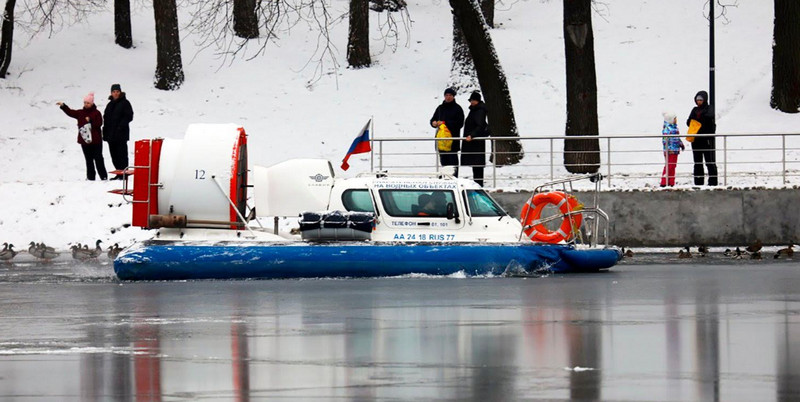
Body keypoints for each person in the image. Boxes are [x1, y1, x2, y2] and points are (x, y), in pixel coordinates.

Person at [57, 92, 108, 181]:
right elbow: (71, 112)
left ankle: (103, 177)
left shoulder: (97, 113)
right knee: (88, 160)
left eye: (88, 103)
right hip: (85, 141)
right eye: (85, 103)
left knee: (98, 159)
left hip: (96, 141)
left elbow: (99, 124)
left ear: (92, 103)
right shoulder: (80, 113)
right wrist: (63, 106)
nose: (86, 104)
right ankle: (90, 177)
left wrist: (90, 120)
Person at [430, 87, 464, 176]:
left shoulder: (458, 109)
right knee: (443, 163)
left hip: (452, 141)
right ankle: (445, 179)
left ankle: (454, 179)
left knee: (453, 163)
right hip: (441, 141)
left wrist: (446, 123)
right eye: (446, 95)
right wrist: (433, 122)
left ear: (453, 96)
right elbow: (433, 119)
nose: (448, 97)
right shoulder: (440, 108)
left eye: (450, 95)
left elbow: (460, 123)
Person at [103, 83, 134, 180]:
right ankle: (118, 173)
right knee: (114, 155)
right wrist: (105, 133)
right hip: (110, 136)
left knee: (122, 155)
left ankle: (124, 174)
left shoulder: (125, 103)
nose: (115, 93)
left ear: (120, 92)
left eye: (117, 92)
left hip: (121, 135)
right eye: (114, 92)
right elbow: (106, 119)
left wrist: (121, 126)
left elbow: (129, 116)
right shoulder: (109, 105)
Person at [686, 90, 718, 186]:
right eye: (697, 100)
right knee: (697, 162)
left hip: (706, 139)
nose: (699, 102)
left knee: (709, 161)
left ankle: (712, 182)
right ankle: (698, 182)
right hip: (696, 139)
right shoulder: (694, 109)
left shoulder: (709, 108)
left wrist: (697, 121)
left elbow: (708, 118)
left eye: (701, 100)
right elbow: (689, 122)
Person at [462, 91, 489, 186]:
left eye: (474, 100)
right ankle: (478, 183)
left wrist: (472, 135)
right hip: (475, 141)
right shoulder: (475, 110)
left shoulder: (479, 111)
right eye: (471, 100)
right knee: (476, 164)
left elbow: (479, 125)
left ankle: (478, 184)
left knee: (477, 164)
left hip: (476, 142)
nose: (472, 102)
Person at [660, 112, 684, 187]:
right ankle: (664, 181)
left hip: (675, 150)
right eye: (674, 118)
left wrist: (680, 144)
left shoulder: (674, 128)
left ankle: (671, 181)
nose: (676, 120)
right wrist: (668, 148)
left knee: (673, 166)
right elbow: (665, 140)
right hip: (670, 150)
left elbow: (677, 138)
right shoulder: (667, 129)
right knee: (669, 166)